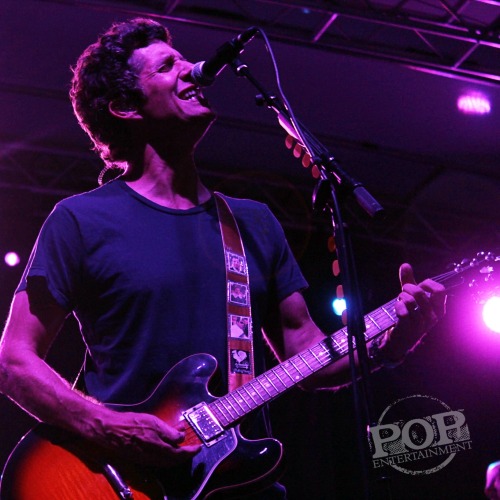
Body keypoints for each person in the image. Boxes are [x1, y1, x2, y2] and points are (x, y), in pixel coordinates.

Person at [0, 18, 446, 498]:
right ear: (125, 107)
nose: (192, 68)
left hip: (233, 483)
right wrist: (110, 427)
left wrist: (390, 346)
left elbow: (308, 354)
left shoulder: (253, 223)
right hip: (115, 482)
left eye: (183, 59)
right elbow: (14, 362)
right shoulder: (81, 220)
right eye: (166, 67)